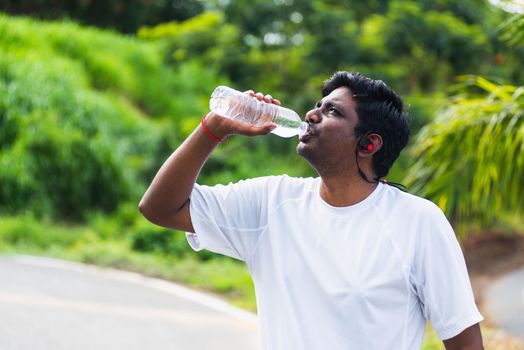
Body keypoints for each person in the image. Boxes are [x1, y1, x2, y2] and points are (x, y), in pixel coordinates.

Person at [139, 71, 484, 350]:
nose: (311, 114)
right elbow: (159, 208)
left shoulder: (417, 222)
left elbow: (465, 343)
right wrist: (213, 128)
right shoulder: (271, 202)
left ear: (369, 144)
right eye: (318, 105)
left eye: (333, 111)